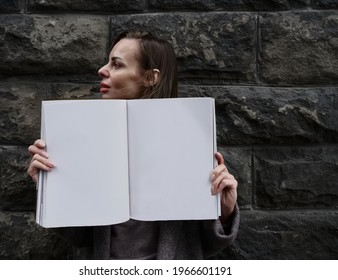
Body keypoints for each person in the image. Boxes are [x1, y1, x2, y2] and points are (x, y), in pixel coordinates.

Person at [27, 31, 239, 259]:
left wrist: (225, 212)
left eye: (117, 64)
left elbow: (209, 243)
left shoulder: (191, 140)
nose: (102, 70)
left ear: (150, 77)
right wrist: (51, 187)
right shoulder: (86, 139)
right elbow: (79, 237)